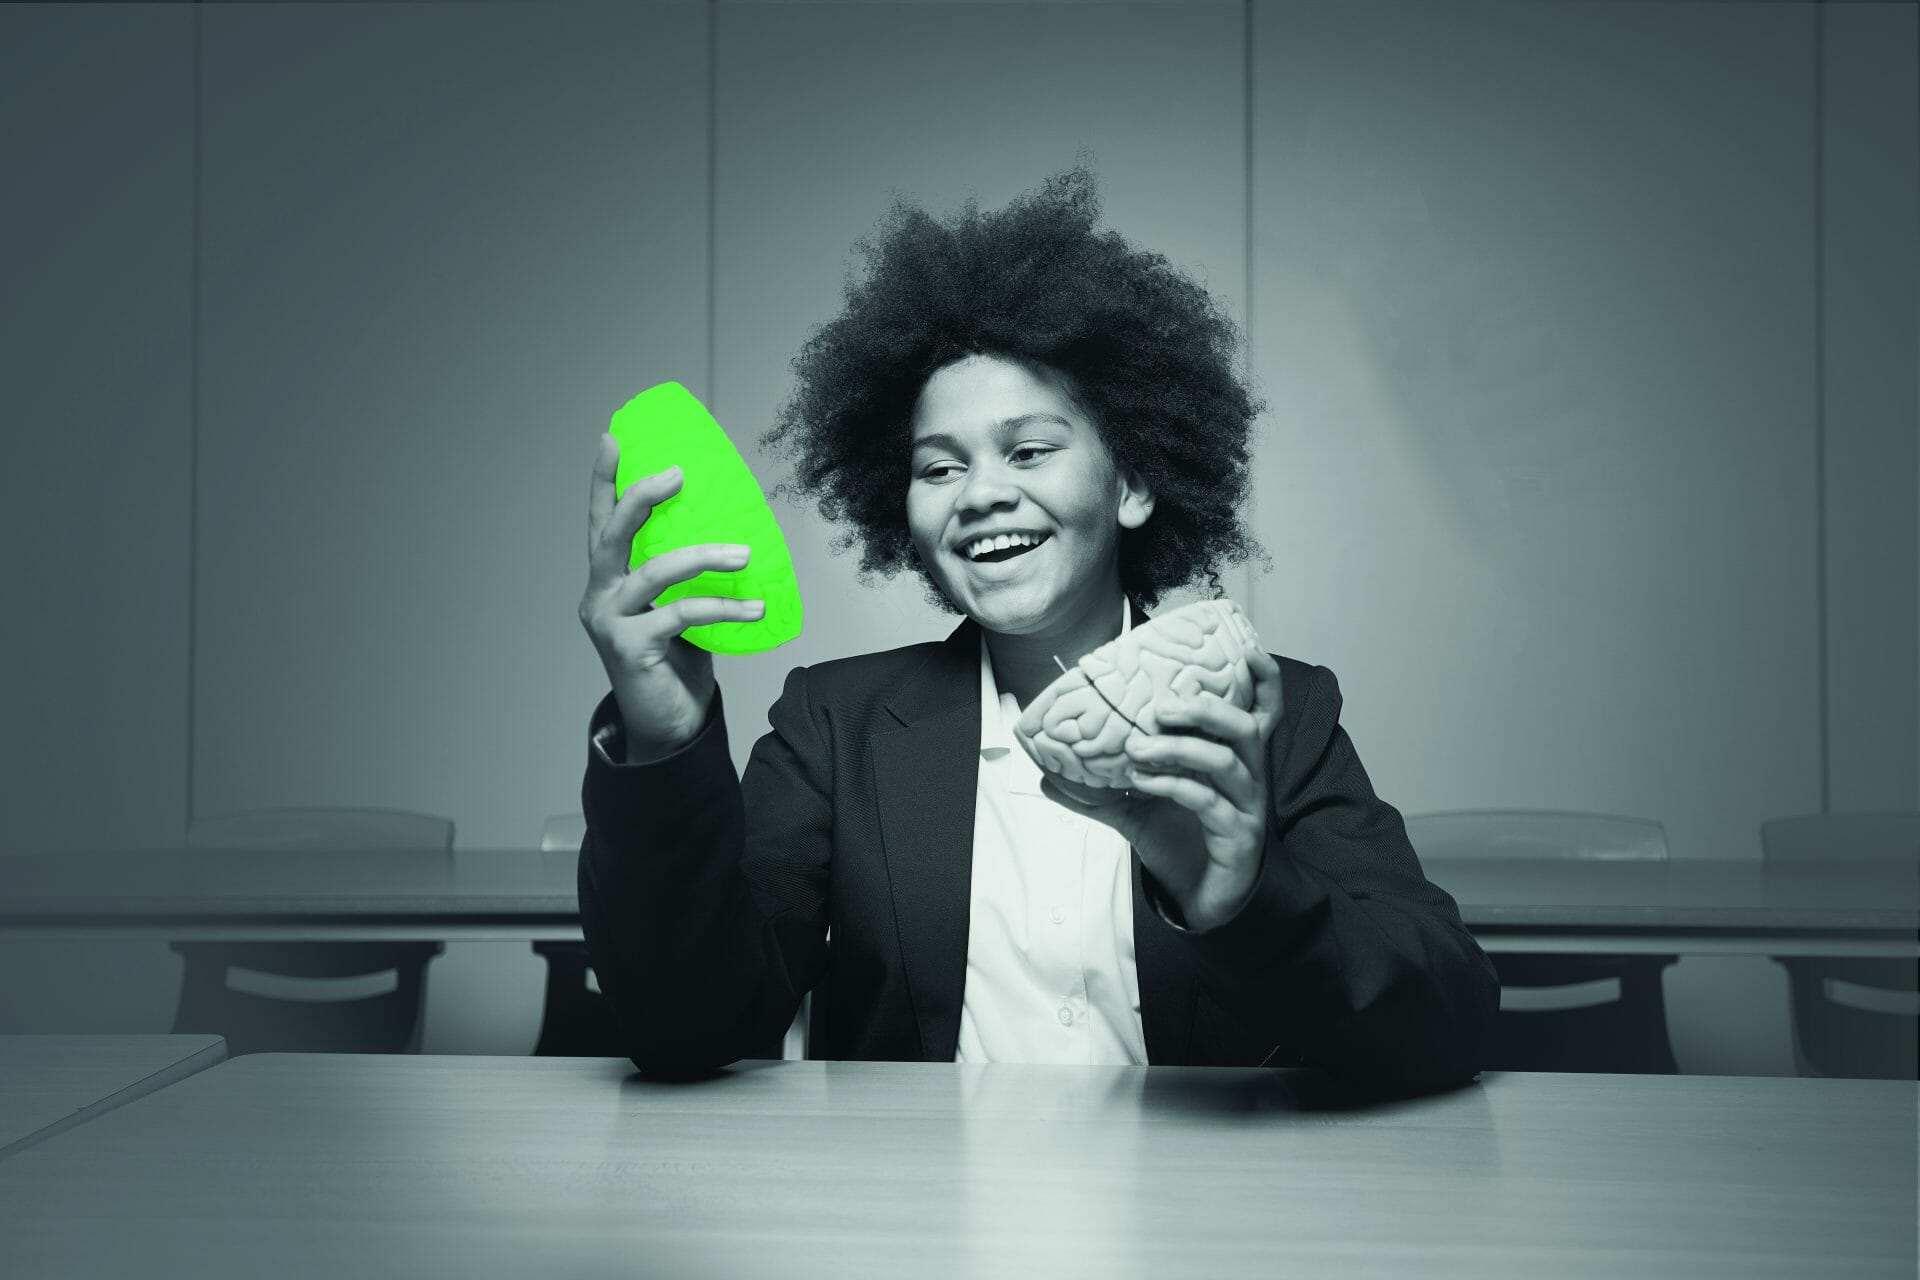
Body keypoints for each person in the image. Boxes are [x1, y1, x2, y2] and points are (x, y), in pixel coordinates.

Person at [575, 159, 1499, 1087]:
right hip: (909, 1223)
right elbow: (686, 1028)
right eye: (938, 469)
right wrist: (662, 737)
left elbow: (1448, 1020)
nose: (980, 494)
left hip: (1201, 1224)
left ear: (1133, 483)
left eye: (1028, 450)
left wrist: (1245, 900)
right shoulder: (833, 725)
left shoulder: (1272, 712)